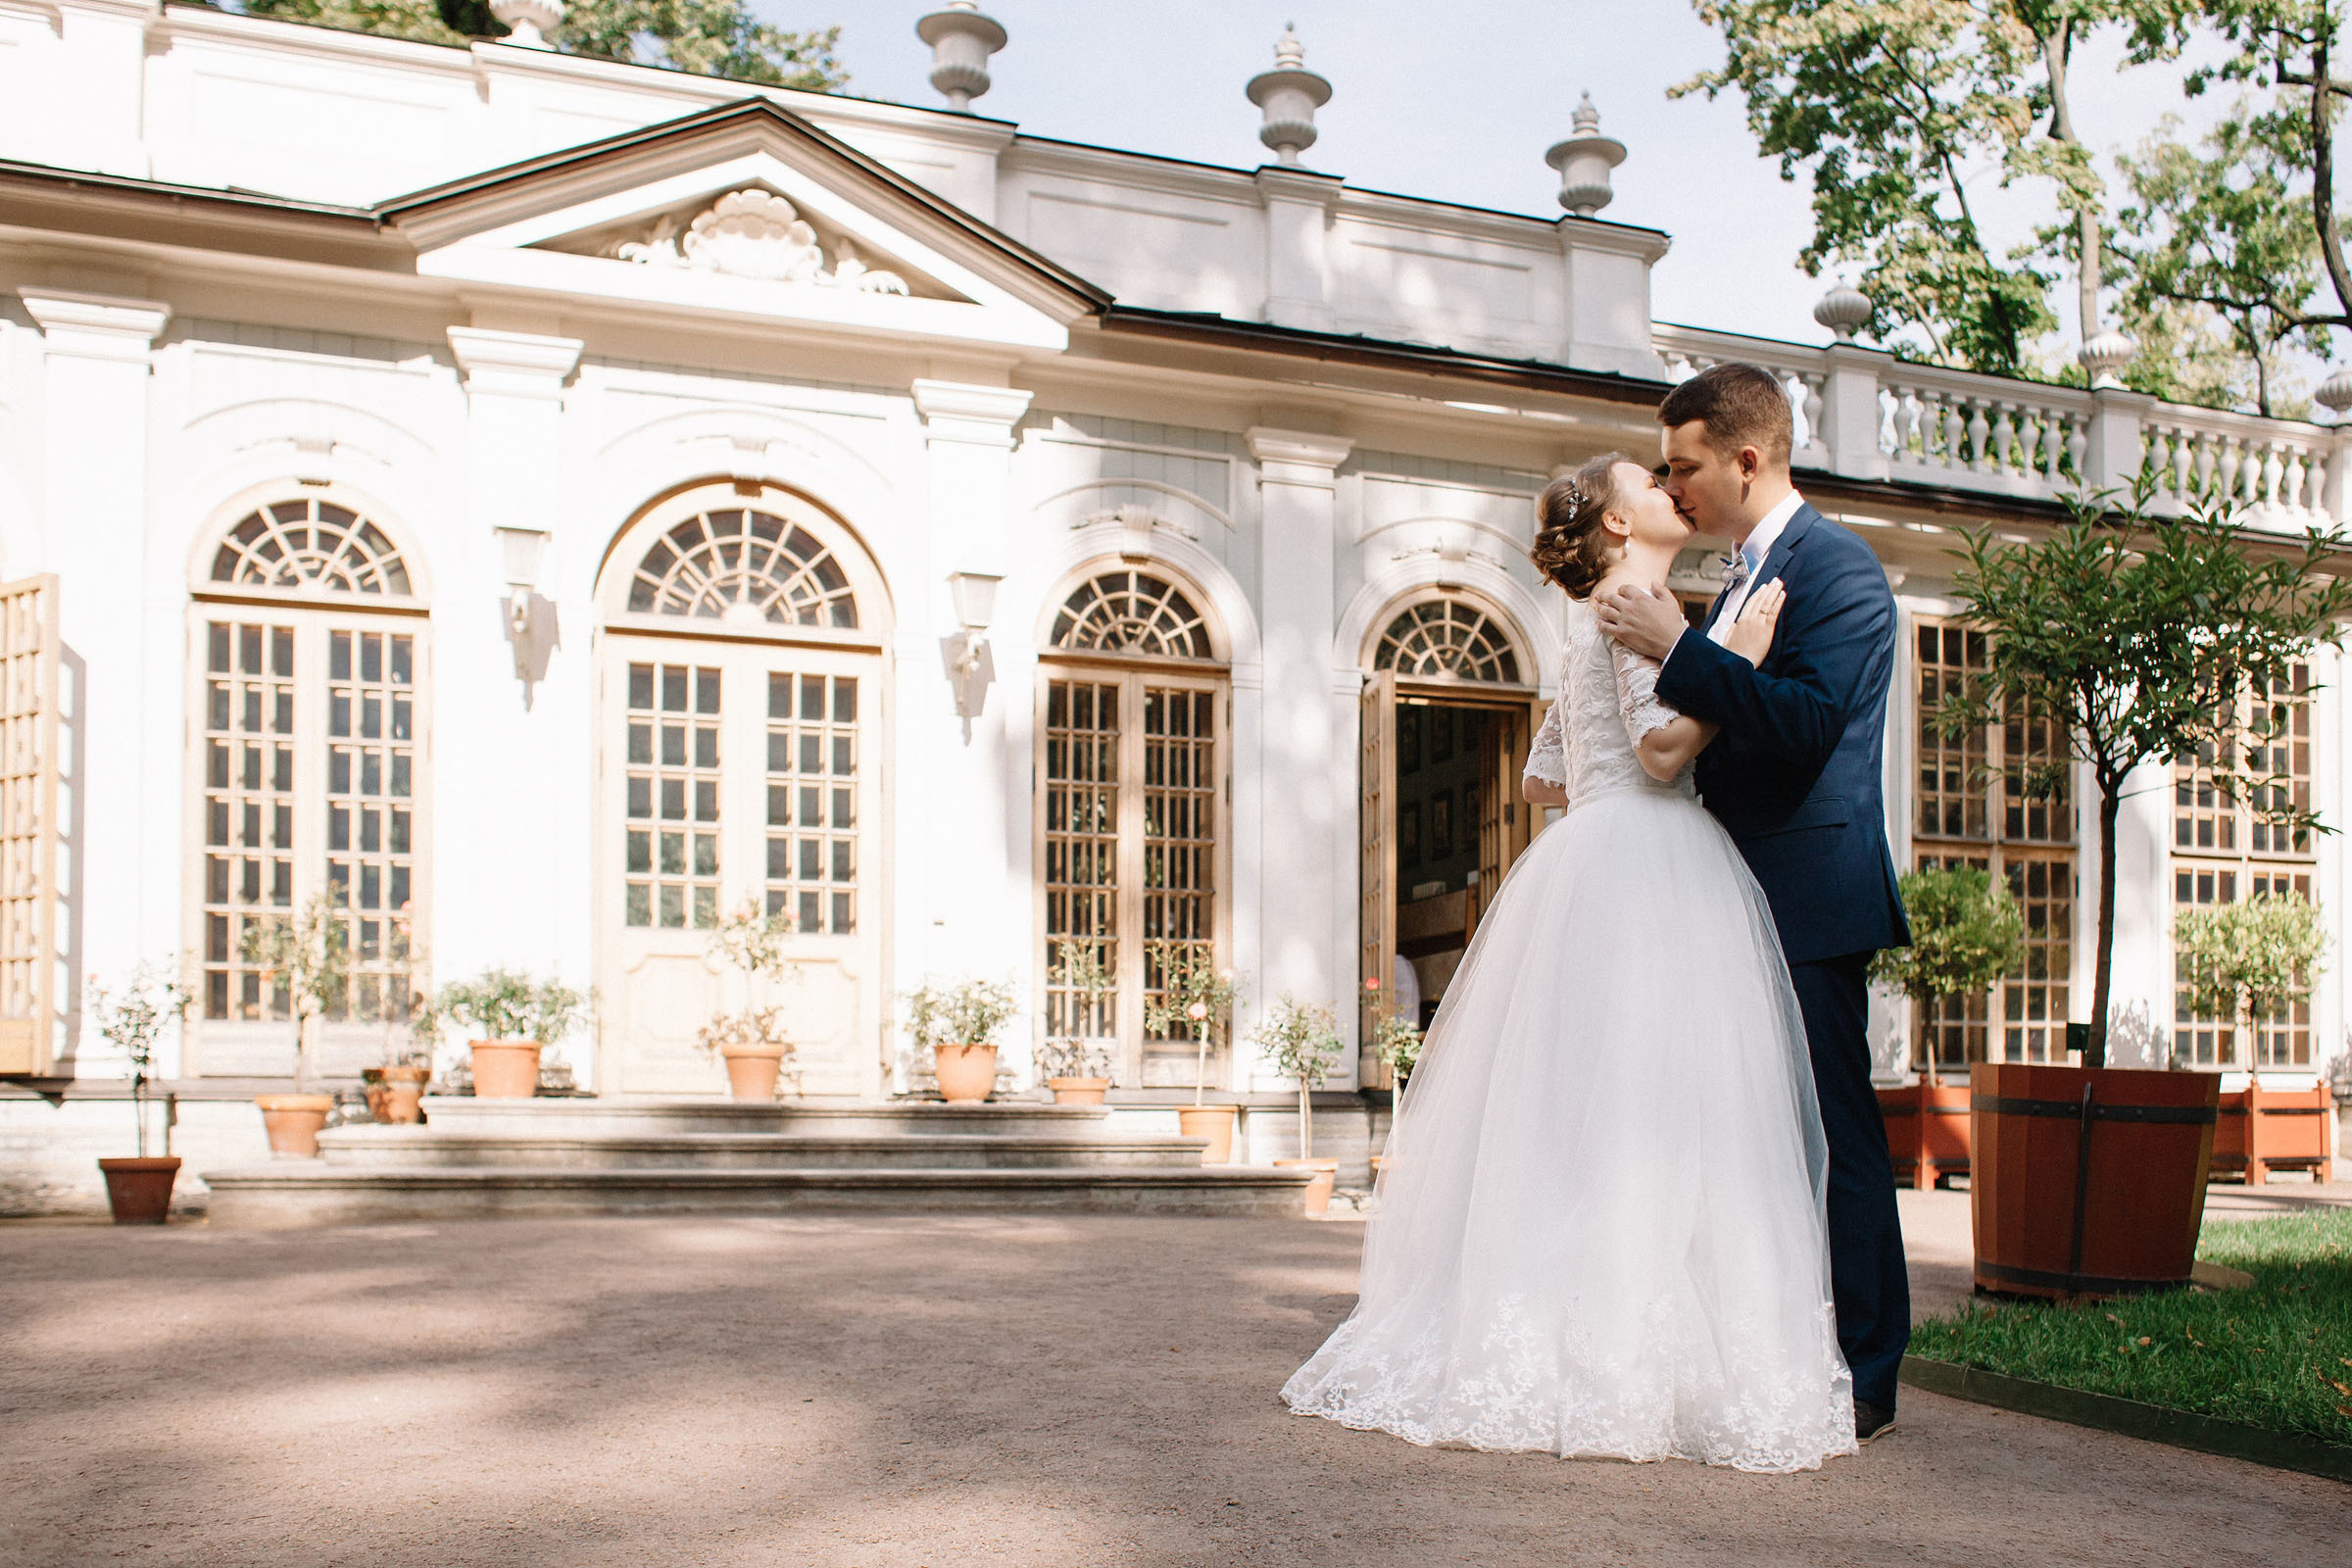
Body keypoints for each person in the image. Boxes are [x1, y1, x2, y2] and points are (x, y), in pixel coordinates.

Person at [1282, 449, 1857, 1473]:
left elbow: (1545, 778)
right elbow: (1661, 752)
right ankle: (1628, 1354)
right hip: (1653, 860)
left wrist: (1617, 771)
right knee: (1665, 1109)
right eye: (1651, 482)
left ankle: (1560, 1329)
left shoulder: (1593, 612)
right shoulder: (1640, 603)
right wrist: (1739, 660)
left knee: (1592, 1112)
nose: (1670, 490)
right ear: (1620, 524)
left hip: (1592, 855)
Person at [1594, 361, 1912, 1444]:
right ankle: (1769, 1350)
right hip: (1723, 895)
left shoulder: (1840, 569)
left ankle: (1867, 1371)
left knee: (1834, 1136)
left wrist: (1680, 652)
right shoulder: (1737, 576)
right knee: (1739, 1138)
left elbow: (1808, 723)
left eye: (1683, 467)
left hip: (1808, 895)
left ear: (1744, 458)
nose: (1671, 486)